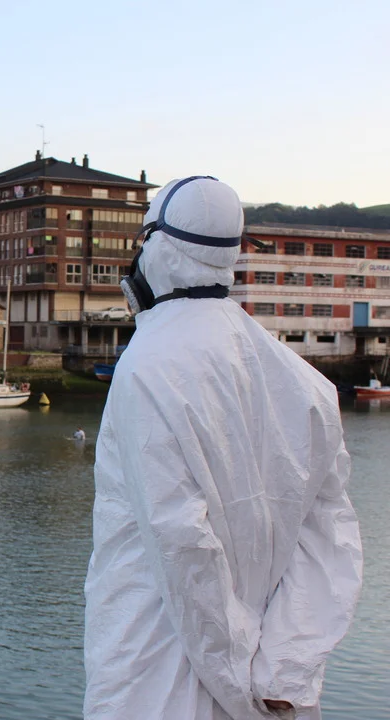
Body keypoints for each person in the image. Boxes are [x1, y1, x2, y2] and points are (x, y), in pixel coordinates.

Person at [84, 177, 363, 720]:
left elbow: (183, 547)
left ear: (157, 247)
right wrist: (281, 677)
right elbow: (331, 543)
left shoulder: (147, 366)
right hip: (272, 690)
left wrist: (239, 690)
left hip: (153, 678)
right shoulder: (304, 381)